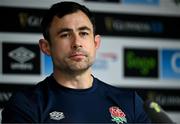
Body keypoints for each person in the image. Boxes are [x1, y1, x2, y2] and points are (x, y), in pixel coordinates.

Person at [2, 1, 151, 123]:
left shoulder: (130, 103)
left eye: (84, 33)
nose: (77, 43)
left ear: (96, 43)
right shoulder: (25, 105)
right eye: (65, 34)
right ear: (46, 47)